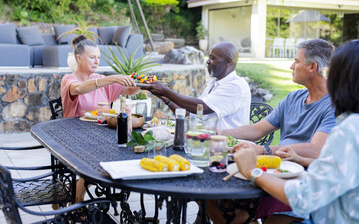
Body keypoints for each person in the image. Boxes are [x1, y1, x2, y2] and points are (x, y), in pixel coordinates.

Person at [208, 39, 336, 223]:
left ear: (312, 67)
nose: (291, 66)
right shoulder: (293, 97)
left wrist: (264, 150)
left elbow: (315, 149)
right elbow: (257, 129)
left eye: (296, 61)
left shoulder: (334, 105)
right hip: (275, 169)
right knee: (214, 194)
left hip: (301, 177)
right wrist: (219, 133)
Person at [234, 40, 359, 223]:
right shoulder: (349, 123)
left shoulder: (349, 129)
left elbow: (305, 197)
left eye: (332, 71)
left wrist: (253, 171)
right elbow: (340, 170)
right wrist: (302, 159)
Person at [60, 34, 139, 203]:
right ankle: (77, 200)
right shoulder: (69, 79)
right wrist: (109, 78)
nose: (97, 61)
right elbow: (79, 89)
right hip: (73, 136)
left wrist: (138, 82)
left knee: (123, 149)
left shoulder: (98, 78)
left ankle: (70, 192)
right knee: (101, 156)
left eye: (98, 58)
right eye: (92, 57)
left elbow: (130, 90)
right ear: (79, 58)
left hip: (100, 133)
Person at [140, 41, 251, 130]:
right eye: (209, 57)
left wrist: (165, 91)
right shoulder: (213, 84)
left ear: (228, 61)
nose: (207, 61)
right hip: (206, 142)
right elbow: (191, 114)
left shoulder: (236, 86)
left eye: (213, 58)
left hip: (229, 148)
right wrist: (165, 98)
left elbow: (202, 108)